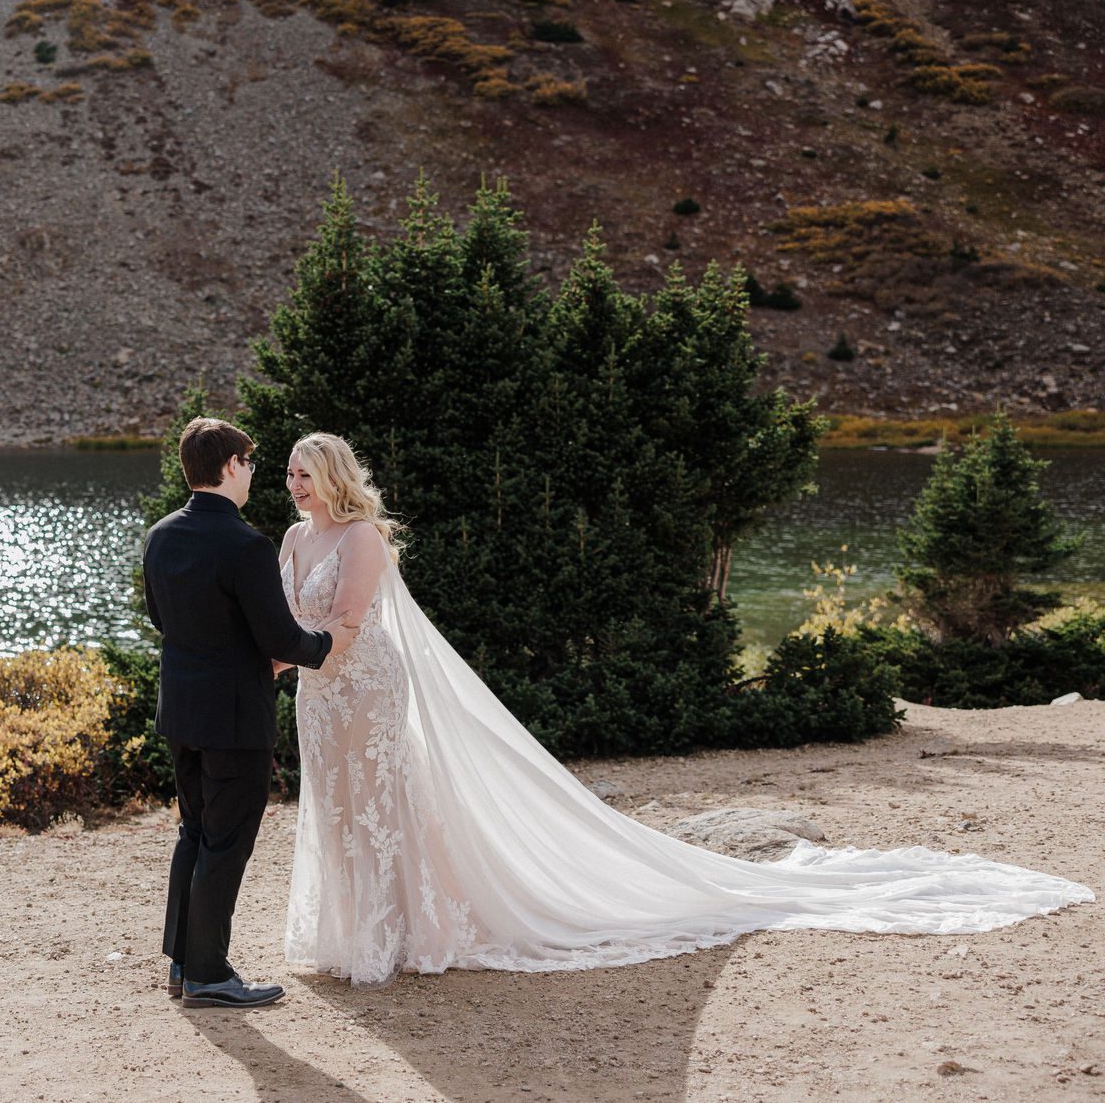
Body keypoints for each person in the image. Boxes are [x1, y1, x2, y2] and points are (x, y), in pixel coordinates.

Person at [276, 431, 1093, 987]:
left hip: (366, 687)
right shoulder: (288, 540)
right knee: (337, 807)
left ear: (337, 475)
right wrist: (276, 658)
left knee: (382, 804)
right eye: (287, 470)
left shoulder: (361, 539)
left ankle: (393, 940)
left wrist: (293, 654)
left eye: (306, 469)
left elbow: (346, 624)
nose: (294, 480)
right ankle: (347, 937)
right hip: (317, 695)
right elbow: (285, 618)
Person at [142, 417, 348, 1008]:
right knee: (226, 842)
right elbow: (280, 635)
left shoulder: (161, 534)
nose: (256, 474)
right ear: (231, 466)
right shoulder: (245, 544)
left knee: (195, 832)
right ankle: (209, 973)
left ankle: (183, 963)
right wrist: (326, 646)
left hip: (181, 712)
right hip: (234, 716)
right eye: (252, 463)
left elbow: (162, 617)